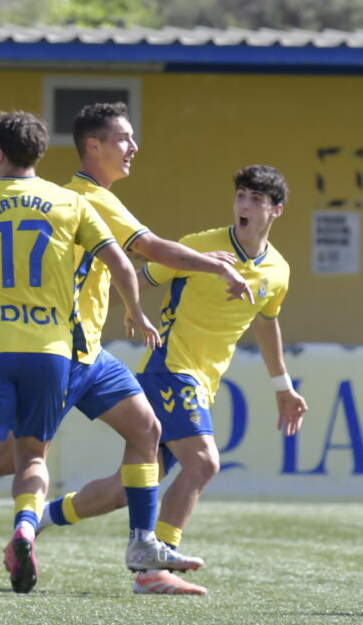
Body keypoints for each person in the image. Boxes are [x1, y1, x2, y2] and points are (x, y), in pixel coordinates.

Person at [0, 102, 251, 595]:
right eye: (123, 139)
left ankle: (142, 546)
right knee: (7, 458)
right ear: (93, 146)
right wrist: (213, 265)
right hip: (61, 348)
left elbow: (125, 265)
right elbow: (150, 249)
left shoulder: (67, 197)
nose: (133, 148)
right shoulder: (83, 199)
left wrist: (138, 306)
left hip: (89, 351)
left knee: (145, 430)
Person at [0, 109, 170, 598]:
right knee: (33, 455)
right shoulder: (69, 201)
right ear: (40, 154)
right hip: (53, 349)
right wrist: (137, 313)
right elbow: (120, 260)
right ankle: (26, 528)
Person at [38, 164, 309, 595]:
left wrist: (283, 387)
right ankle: (152, 567)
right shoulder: (200, 247)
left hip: (202, 383)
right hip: (169, 369)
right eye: (240, 195)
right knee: (204, 462)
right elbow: (140, 277)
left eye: (256, 199)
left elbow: (266, 323)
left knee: (123, 490)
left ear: (276, 210)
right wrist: (131, 305)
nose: (244, 205)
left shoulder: (278, 271)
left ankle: (37, 520)